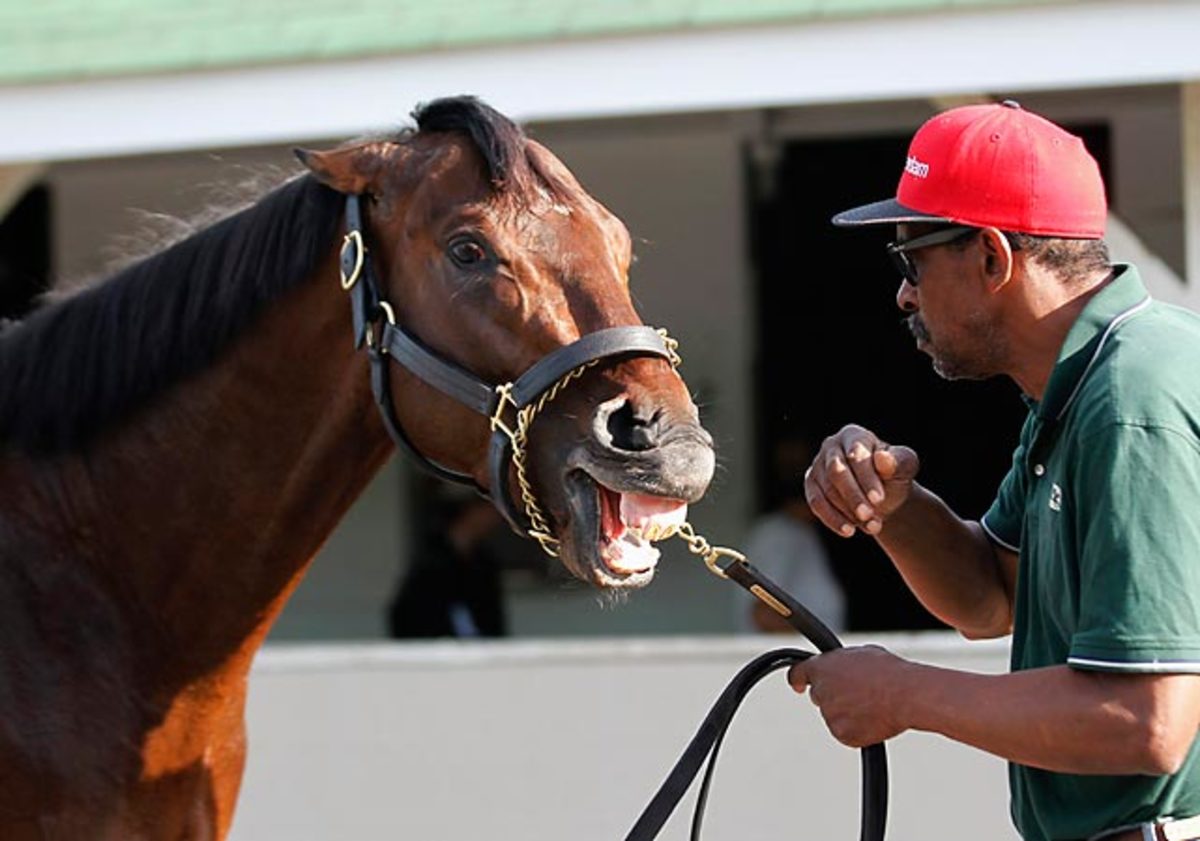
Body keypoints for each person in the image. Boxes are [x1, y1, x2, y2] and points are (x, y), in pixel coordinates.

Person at [788, 101, 1200, 841]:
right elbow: (988, 600)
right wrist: (893, 506)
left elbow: (1148, 722)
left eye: (911, 259)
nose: (903, 294)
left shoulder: (1129, 400)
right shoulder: (1081, 384)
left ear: (991, 257)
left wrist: (902, 693)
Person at [736, 436, 845, 633]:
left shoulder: (804, 534)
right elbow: (762, 612)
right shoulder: (777, 535)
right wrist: (821, 645)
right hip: (797, 659)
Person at [388, 487, 508, 639]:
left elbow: (492, 614)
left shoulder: (484, 561)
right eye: (489, 509)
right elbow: (405, 612)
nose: (495, 518)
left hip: (479, 648)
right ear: (470, 510)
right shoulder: (431, 560)